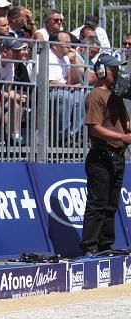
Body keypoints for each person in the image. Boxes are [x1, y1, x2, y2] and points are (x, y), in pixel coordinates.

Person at [80, 54, 131, 256]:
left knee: (111, 204)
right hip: (101, 156)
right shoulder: (95, 96)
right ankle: (90, 246)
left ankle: (105, 245)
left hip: (117, 156)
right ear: (102, 71)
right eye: (114, 70)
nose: (118, 74)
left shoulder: (116, 96)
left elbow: (126, 123)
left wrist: (125, 134)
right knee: (97, 203)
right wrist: (122, 137)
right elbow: (95, 129)